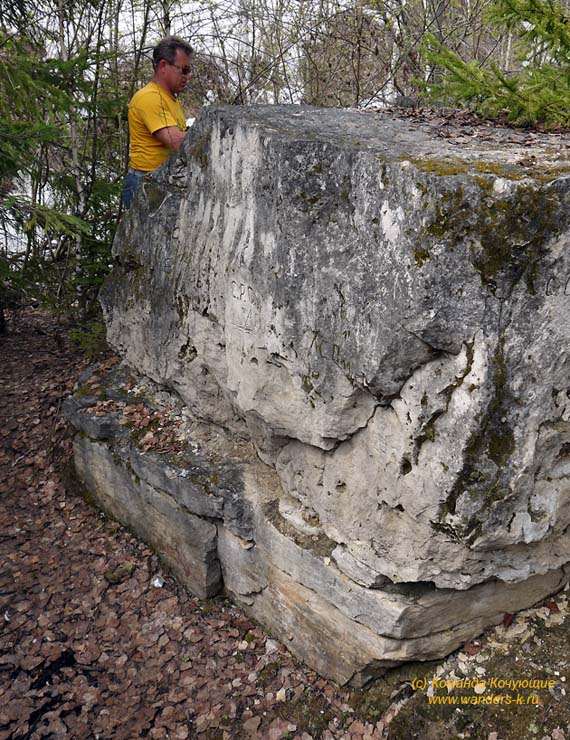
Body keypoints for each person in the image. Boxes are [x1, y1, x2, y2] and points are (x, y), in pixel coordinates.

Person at [122, 36, 193, 208]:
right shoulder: (150, 98)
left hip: (158, 180)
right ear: (163, 66)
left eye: (189, 70)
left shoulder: (170, 99)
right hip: (144, 183)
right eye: (183, 70)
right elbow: (176, 142)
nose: (188, 76)